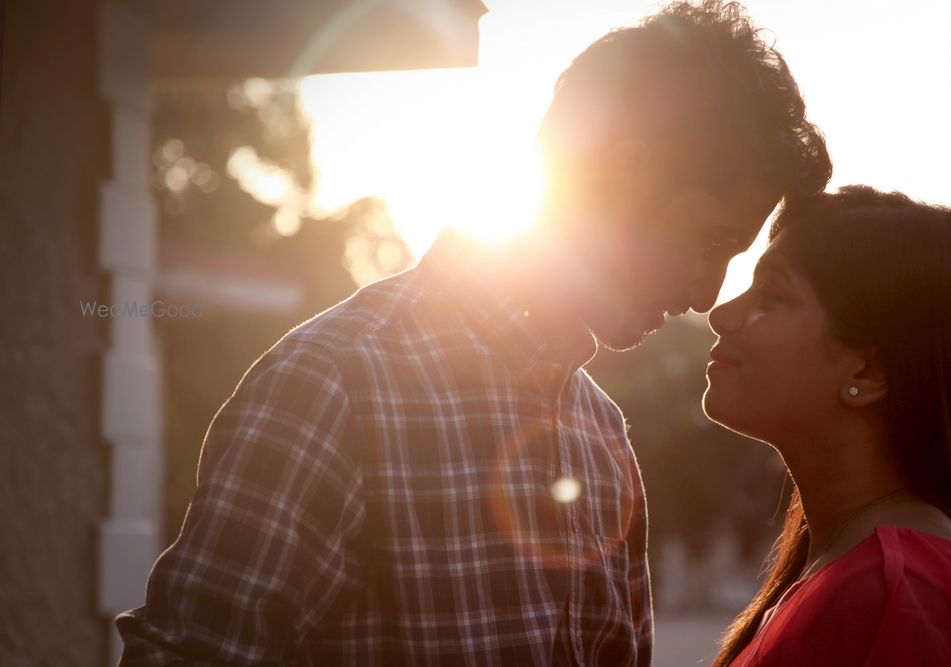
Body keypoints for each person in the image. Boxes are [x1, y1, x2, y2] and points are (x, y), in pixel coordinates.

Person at [117, 2, 831, 664]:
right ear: (625, 175)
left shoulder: (601, 435)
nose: (708, 293)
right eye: (711, 242)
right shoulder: (329, 389)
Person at [704, 186, 951, 666]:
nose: (721, 314)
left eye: (772, 296)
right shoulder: (864, 573)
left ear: (867, 372)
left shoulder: (907, 591)